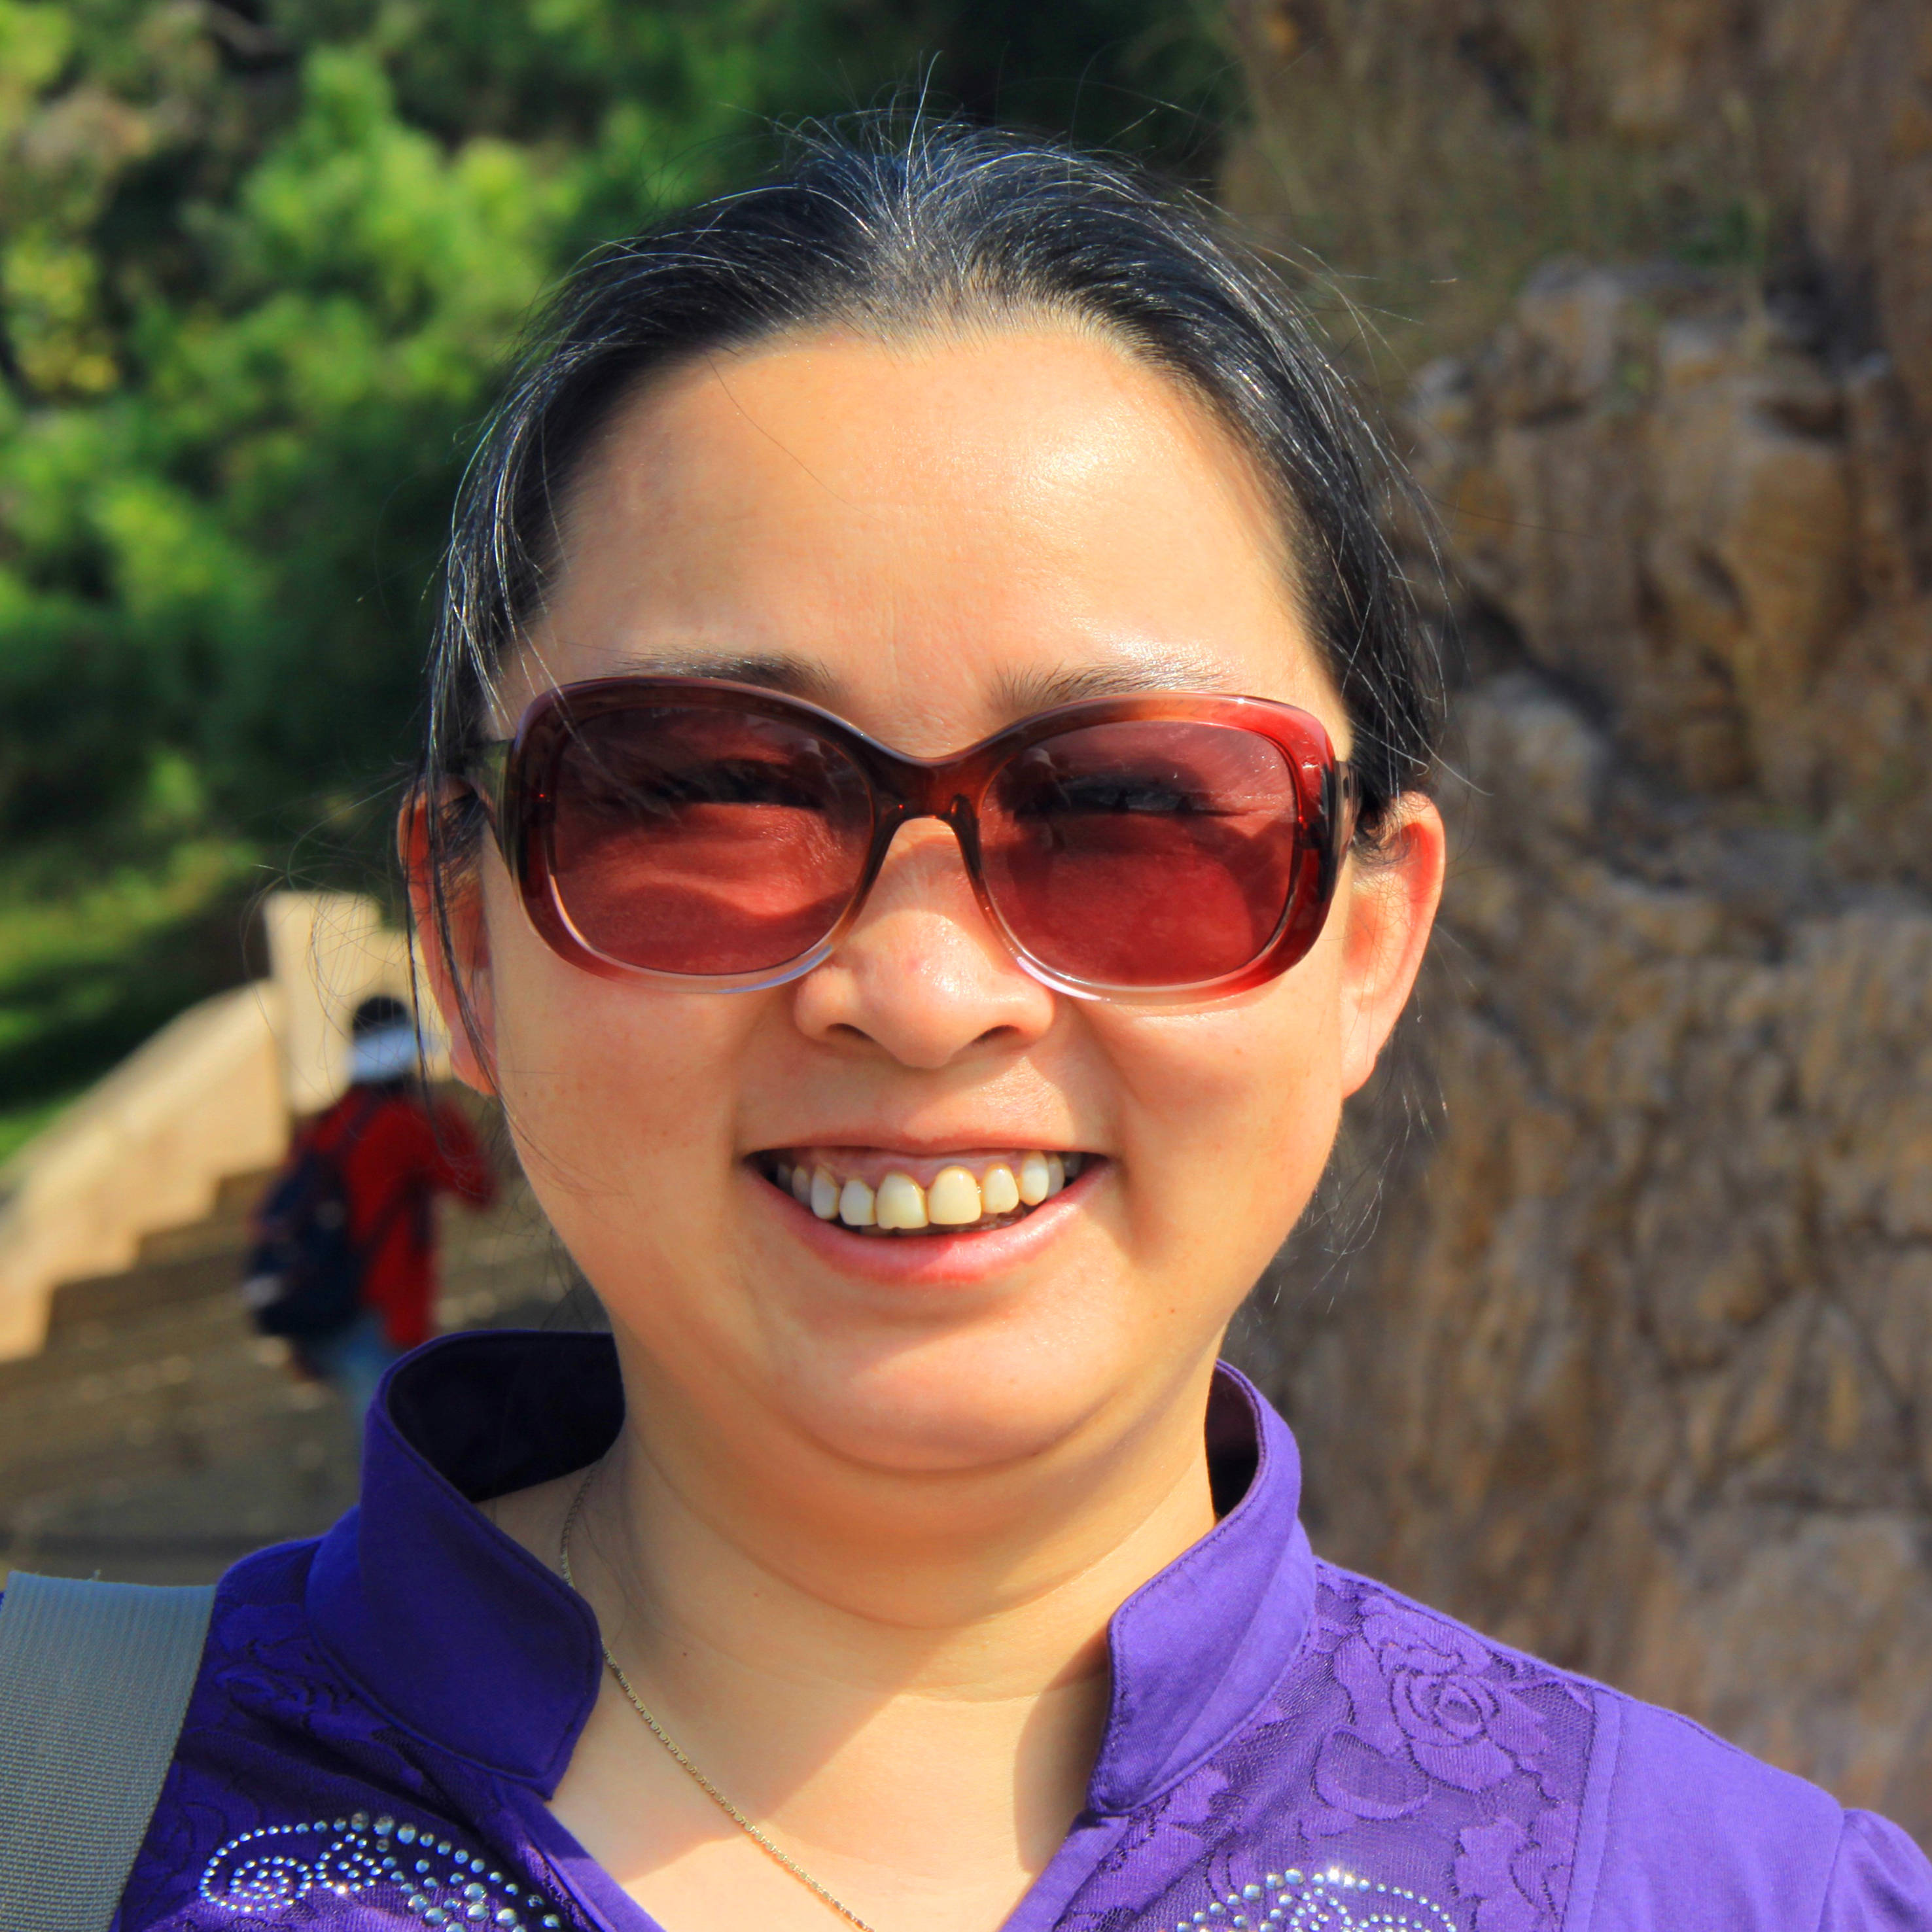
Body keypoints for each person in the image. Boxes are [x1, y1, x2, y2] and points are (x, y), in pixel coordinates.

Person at [113, 125, 1931, 1931]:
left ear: (1368, 947)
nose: (921, 994)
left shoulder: (1751, 1901)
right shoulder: (66, 1816)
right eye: (715, 799)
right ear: (464, 938)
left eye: (1127, 809)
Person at [282, 992, 499, 1425]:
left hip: (331, 1310)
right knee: (398, 1445)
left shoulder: (326, 1124)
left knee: (383, 1442)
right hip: (388, 1315)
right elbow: (479, 1190)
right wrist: (442, 1112)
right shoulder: (403, 1123)